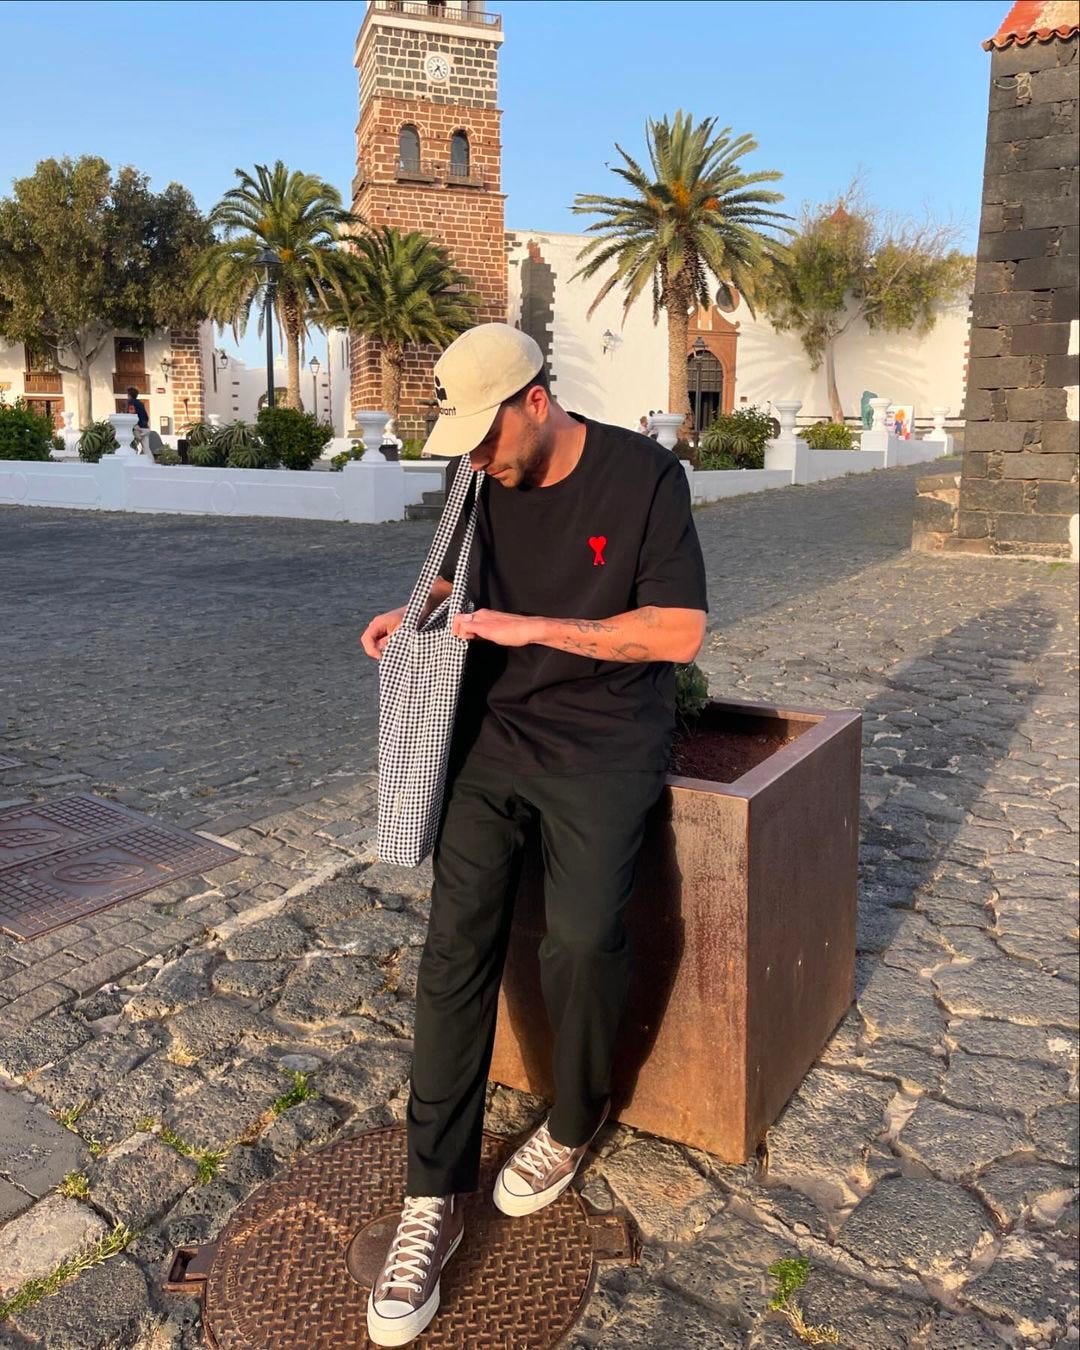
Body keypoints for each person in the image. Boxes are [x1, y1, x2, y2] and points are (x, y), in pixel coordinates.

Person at [360, 324, 708, 1347]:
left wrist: (538, 630)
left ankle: (572, 1117)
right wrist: (412, 609)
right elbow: (461, 583)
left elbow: (680, 632)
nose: (473, 456)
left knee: (583, 940)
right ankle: (432, 1197)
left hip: (605, 739)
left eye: (485, 433)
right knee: (453, 946)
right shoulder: (479, 482)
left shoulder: (644, 478)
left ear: (536, 402)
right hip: (493, 735)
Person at [125, 386, 154, 461]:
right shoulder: (141, 403)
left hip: (138, 428)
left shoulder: (131, 403)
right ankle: (151, 462)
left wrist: (135, 425)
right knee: (146, 448)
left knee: (128, 444)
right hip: (145, 428)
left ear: (129, 395)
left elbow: (132, 415)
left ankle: (132, 461)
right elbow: (146, 417)